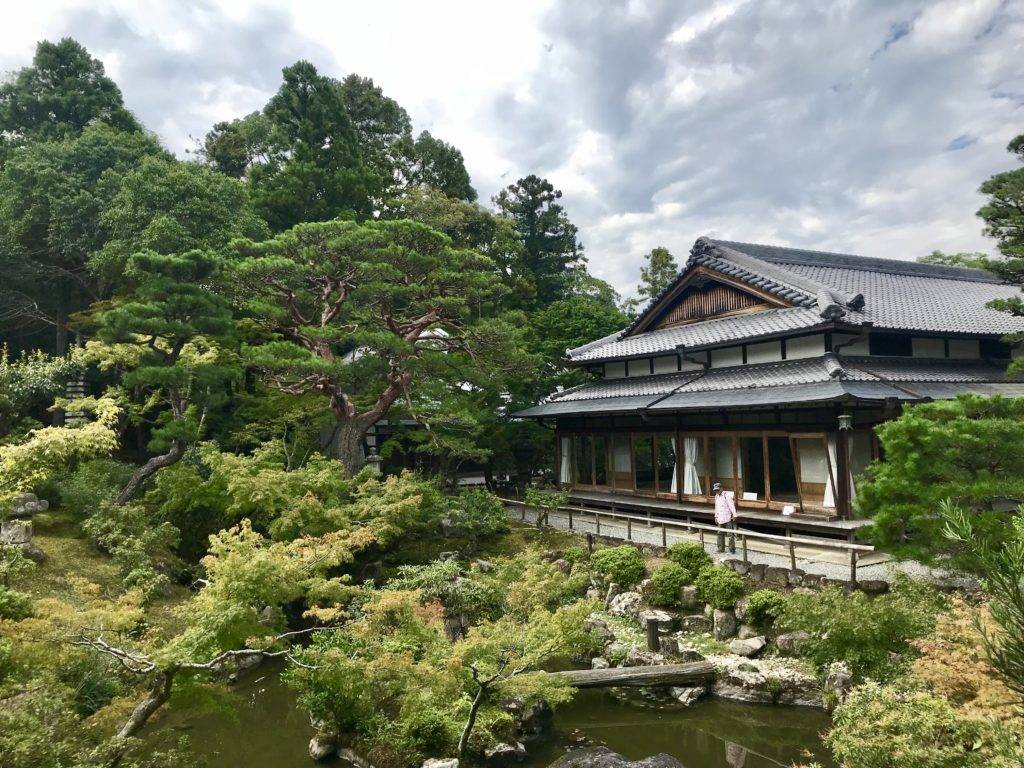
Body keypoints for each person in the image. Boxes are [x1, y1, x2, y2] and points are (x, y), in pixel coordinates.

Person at [713, 481, 737, 554]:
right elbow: (716, 507)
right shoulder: (716, 496)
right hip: (720, 517)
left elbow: (731, 506)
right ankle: (720, 549)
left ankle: (732, 549)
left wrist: (735, 515)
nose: (717, 491)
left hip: (727, 518)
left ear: (721, 488)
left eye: (718, 490)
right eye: (716, 490)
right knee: (720, 534)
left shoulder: (727, 496)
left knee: (730, 534)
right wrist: (716, 516)